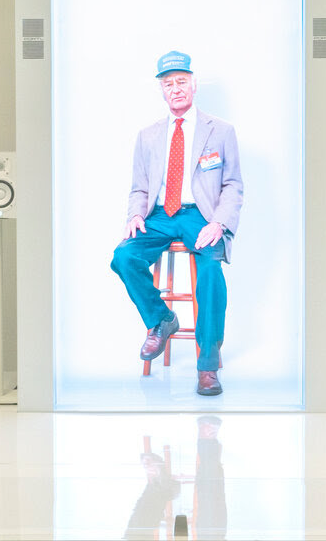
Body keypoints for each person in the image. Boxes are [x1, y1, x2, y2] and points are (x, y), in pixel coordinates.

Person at [111, 51, 243, 396]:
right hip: (158, 216)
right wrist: (135, 214)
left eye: (181, 82)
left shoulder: (221, 131)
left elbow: (233, 185)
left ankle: (208, 366)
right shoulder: (148, 136)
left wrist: (219, 223)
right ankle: (161, 320)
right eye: (168, 84)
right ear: (162, 91)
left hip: (199, 215)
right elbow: (139, 187)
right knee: (123, 257)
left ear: (194, 85)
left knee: (211, 270)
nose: (176, 89)